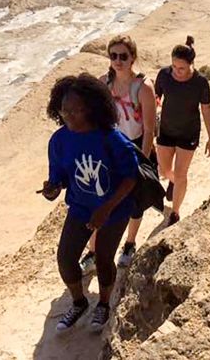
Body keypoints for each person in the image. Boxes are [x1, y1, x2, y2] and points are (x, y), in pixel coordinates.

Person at [40, 74, 139, 333]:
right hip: (81, 206)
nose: (68, 116)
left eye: (75, 110)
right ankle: (79, 302)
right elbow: (59, 177)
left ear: (91, 109)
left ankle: (104, 304)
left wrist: (106, 209)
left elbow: (131, 178)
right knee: (65, 258)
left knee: (105, 259)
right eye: (64, 110)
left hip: (115, 209)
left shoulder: (111, 139)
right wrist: (52, 188)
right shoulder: (59, 140)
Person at [79, 35, 157, 273]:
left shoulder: (143, 87)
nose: (118, 61)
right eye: (113, 56)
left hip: (134, 147)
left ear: (132, 57)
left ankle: (129, 244)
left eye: (123, 56)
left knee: (135, 203)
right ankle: (92, 252)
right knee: (100, 200)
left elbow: (149, 128)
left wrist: (141, 163)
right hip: (109, 148)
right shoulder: (104, 84)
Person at [155, 36, 210, 226]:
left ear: (191, 64)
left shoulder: (200, 82)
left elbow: (206, 109)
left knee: (181, 175)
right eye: (174, 67)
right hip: (166, 129)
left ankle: (175, 212)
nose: (177, 72)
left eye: (181, 68)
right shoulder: (164, 75)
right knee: (163, 170)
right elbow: (156, 96)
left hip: (188, 133)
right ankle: (175, 181)